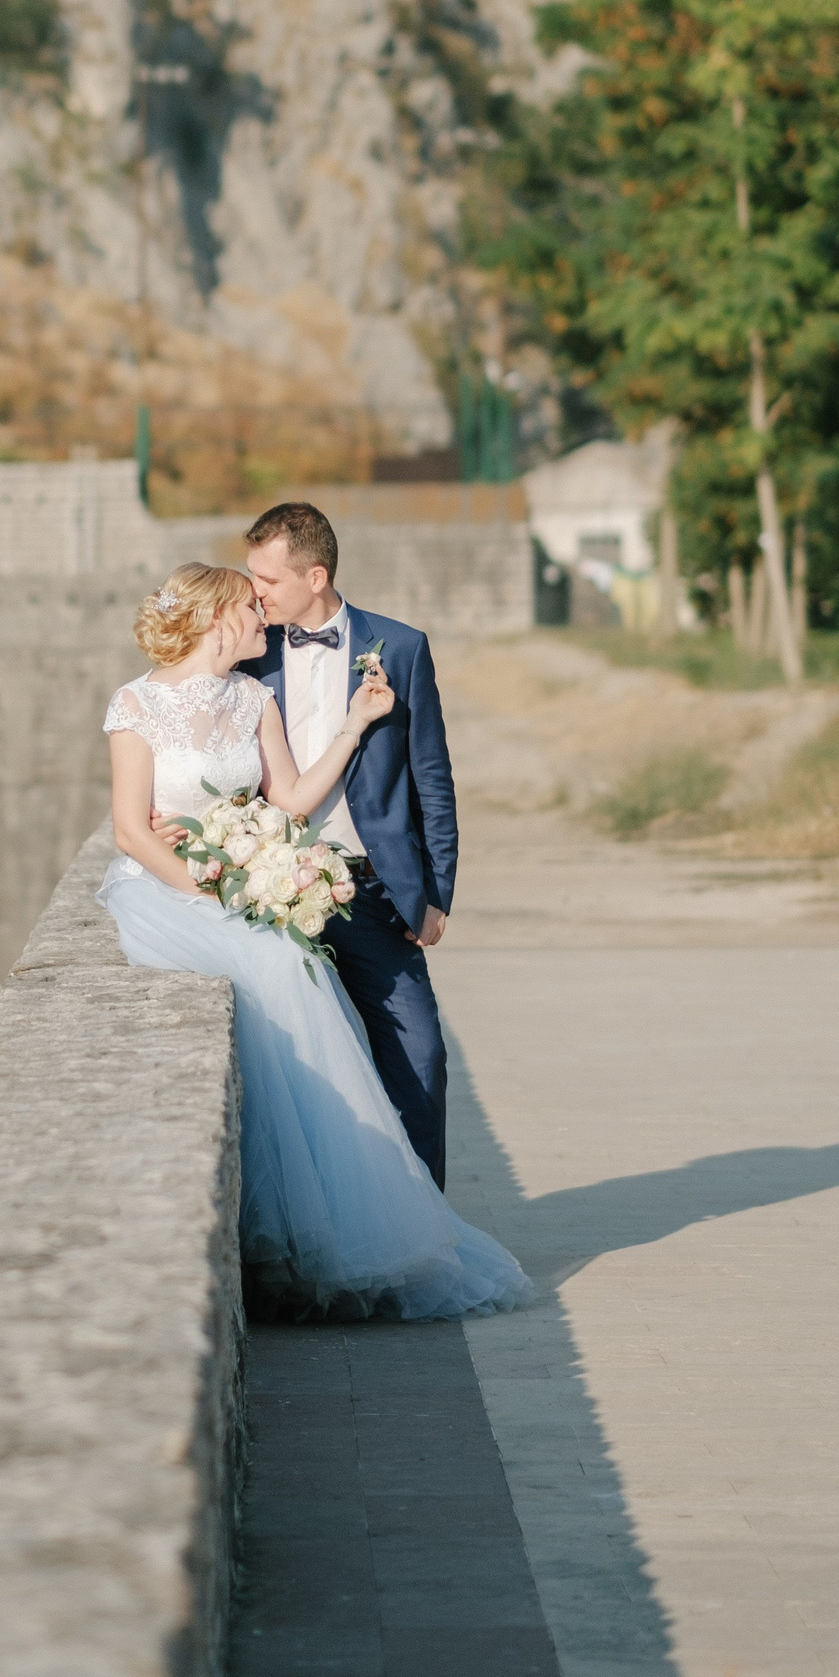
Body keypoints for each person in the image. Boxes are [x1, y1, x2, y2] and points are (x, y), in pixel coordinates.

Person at [100, 561, 527, 1322]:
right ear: (220, 618)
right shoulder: (135, 704)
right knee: (276, 961)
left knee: (292, 968)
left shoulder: (252, 698)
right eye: (251, 607)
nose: (264, 618)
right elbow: (133, 831)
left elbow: (292, 800)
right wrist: (208, 887)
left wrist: (355, 725)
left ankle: (338, 1230)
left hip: (233, 882)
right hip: (166, 892)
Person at [241, 499, 456, 1189]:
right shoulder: (248, 651)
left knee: (420, 1057)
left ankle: (423, 1220)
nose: (254, 592)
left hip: (373, 890)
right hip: (270, 889)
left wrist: (436, 893)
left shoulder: (401, 647)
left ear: (316, 576)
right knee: (299, 1068)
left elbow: (431, 778)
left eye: (267, 579)